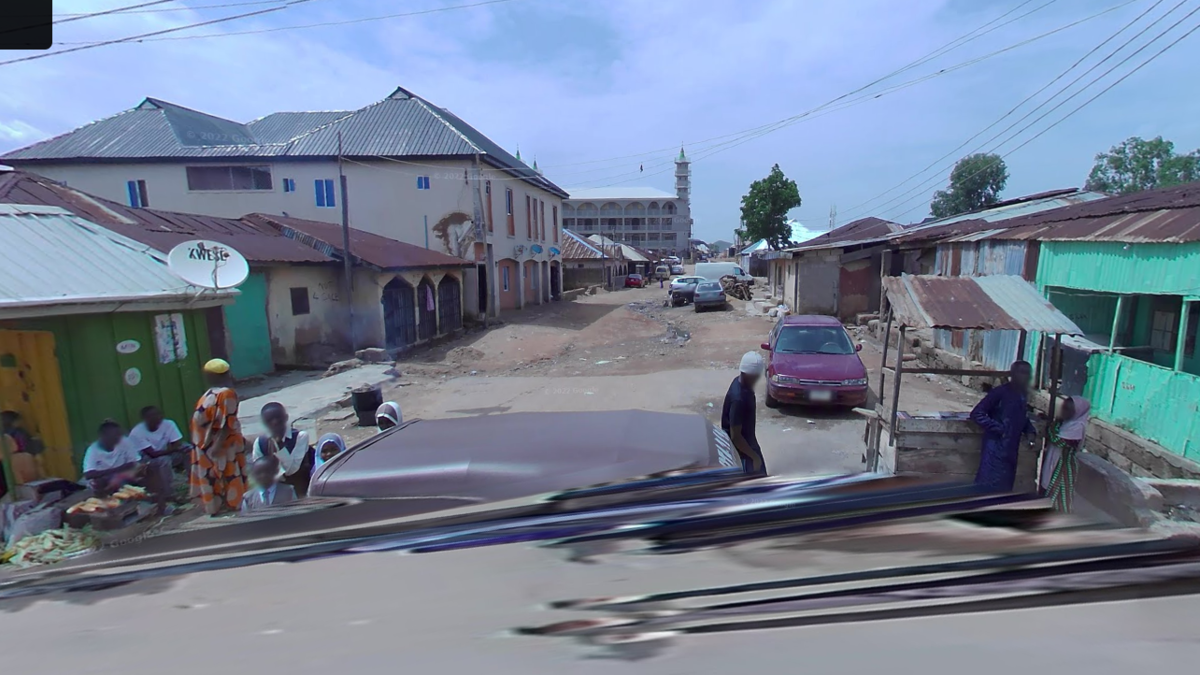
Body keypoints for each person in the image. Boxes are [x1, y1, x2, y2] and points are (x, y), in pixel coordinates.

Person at [189, 358, 248, 516]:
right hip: (206, 445)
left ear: (212, 375)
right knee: (213, 476)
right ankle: (218, 506)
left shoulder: (226, 393)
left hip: (220, 445)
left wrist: (216, 446)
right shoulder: (213, 392)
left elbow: (227, 422)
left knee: (227, 473)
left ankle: (231, 505)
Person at [970, 360, 1037, 493]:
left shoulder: (1022, 395)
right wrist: (999, 429)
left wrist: (1030, 431)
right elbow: (977, 413)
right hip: (995, 449)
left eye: (1028, 373)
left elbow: (1022, 417)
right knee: (986, 488)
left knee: (1004, 490)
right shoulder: (1000, 392)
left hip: (1010, 451)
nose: (1026, 377)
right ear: (1013, 374)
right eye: (1022, 373)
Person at [82, 420, 169, 510]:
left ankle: (161, 500)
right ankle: (117, 506)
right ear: (103, 436)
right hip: (106, 480)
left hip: (125, 474)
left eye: (118, 434)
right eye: (114, 435)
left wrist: (119, 475)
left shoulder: (125, 441)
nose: (118, 437)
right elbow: (89, 474)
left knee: (149, 469)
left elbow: (135, 463)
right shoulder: (93, 450)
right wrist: (117, 470)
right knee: (98, 483)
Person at [128, 405, 187, 512]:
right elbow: (152, 454)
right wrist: (175, 449)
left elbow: (177, 443)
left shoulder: (169, 424)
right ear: (145, 419)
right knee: (164, 461)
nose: (157, 417)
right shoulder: (137, 432)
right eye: (152, 415)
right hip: (144, 463)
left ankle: (196, 485)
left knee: (188, 449)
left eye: (158, 414)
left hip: (165, 453)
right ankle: (170, 494)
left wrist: (177, 449)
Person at [251, 402, 315, 497]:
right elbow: (259, 471)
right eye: (269, 420)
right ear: (264, 423)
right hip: (273, 493)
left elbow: (291, 470)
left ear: (286, 417)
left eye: (278, 419)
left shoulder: (300, 437)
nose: (274, 423)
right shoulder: (261, 442)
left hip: (299, 490)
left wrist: (279, 444)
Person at [1041, 395, 1091, 512]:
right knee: (1047, 486)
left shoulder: (1078, 426)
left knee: (1059, 493)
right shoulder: (1065, 422)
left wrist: (1051, 427)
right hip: (1053, 459)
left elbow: (1058, 440)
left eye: (1068, 409)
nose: (1064, 411)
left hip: (1063, 465)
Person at [722, 351, 767, 477]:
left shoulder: (740, 382)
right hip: (743, 452)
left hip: (749, 443)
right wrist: (754, 457)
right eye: (755, 376)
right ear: (748, 374)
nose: (757, 379)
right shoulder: (739, 399)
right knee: (757, 484)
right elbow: (736, 436)